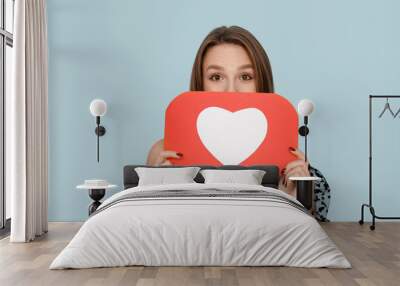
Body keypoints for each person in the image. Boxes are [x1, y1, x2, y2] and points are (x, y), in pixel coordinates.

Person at [146, 26, 311, 198]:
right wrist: (157, 188)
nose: (231, 90)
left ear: (261, 82)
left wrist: (293, 195)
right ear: (200, 82)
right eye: (216, 77)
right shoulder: (163, 152)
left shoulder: (288, 157)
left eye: (245, 77)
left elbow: (306, 222)